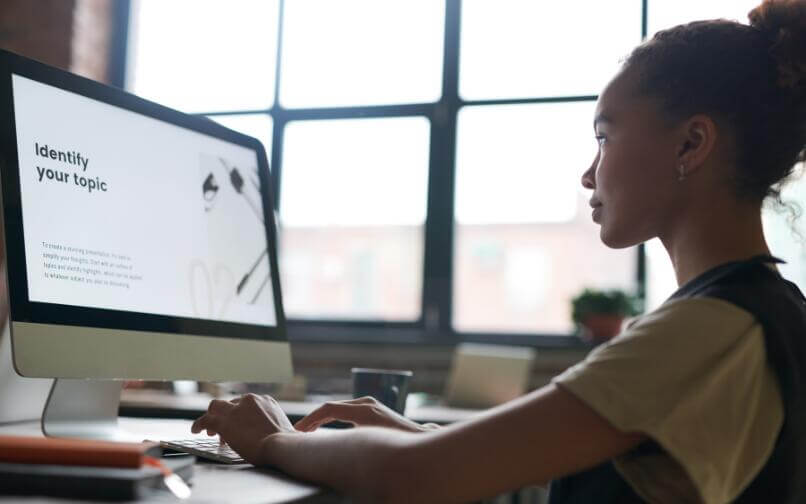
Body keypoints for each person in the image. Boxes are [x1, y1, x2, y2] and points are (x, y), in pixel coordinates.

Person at [192, 1, 806, 502]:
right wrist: (412, 433)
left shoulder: (708, 331)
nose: (589, 175)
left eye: (605, 136)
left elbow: (420, 477)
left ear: (692, 143)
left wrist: (272, 440)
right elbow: (584, 473)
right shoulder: (767, 312)